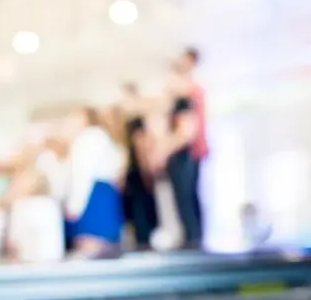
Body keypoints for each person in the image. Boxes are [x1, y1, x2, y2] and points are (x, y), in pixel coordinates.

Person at [154, 47, 208, 249]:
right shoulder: (179, 101)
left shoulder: (186, 99)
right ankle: (192, 240)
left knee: (186, 200)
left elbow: (186, 133)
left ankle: (194, 243)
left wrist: (162, 151)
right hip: (184, 155)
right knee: (185, 201)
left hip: (186, 155)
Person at [65, 107, 125, 256]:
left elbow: (82, 174)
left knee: (91, 248)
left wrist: (74, 206)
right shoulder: (103, 137)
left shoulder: (87, 137)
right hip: (104, 194)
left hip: (92, 197)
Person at [121, 86, 159, 249]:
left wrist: (146, 170)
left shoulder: (138, 123)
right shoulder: (129, 123)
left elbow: (141, 148)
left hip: (137, 172)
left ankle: (144, 241)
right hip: (133, 172)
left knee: (140, 208)